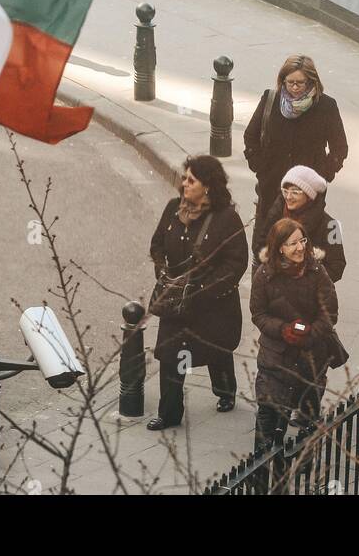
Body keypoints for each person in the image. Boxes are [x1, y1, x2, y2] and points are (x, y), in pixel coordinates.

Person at [147, 154, 249, 431]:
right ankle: (169, 414)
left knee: (216, 350)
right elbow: (157, 245)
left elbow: (236, 263)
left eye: (191, 180)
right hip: (176, 302)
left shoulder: (227, 218)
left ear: (208, 186)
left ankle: (225, 390)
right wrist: (163, 272)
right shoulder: (172, 209)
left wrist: (205, 288)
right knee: (170, 355)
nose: (184, 184)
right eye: (184, 178)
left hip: (212, 306)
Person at [251, 218, 341, 450]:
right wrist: (283, 329)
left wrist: (310, 334)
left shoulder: (317, 271)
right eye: (293, 243)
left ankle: (304, 462)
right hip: (275, 357)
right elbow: (258, 314)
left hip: (310, 356)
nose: (300, 247)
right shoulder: (263, 275)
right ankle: (260, 470)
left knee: (308, 417)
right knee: (268, 412)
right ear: (279, 247)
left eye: (302, 240)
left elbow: (329, 313)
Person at [244, 55, 348, 241]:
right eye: (289, 82)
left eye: (300, 83)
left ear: (311, 81)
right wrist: (260, 167)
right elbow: (251, 136)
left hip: (308, 192)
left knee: (303, 240)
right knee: (266, 239)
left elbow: (339, 147)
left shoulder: (326, 106)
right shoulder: (270, 100)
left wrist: (324, 174)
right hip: (272, 185)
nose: (294, 87)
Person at [252, 166, 346, 283]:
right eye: (285, 191)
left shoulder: (332, 226)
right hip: (274, 290)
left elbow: (337, 266)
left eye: (295, 192)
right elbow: (259, 246)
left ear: (309, 195)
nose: (288, 197)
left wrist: (307, 281)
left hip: (309, 296)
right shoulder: (275, 215)